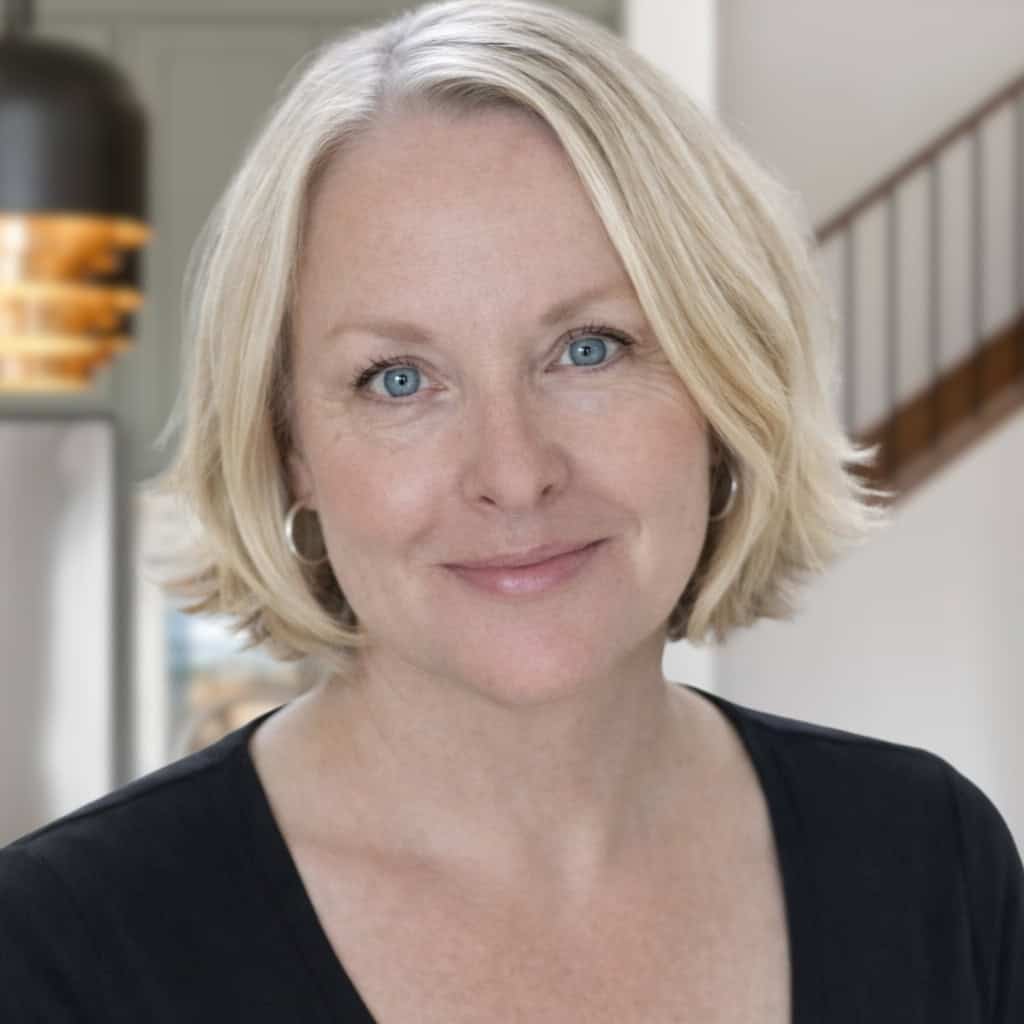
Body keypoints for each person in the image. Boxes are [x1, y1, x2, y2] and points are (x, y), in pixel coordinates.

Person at [2, 0, 1021, 1020]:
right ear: (289, 447)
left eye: (589, 349)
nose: (515, 471)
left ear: (724, 383)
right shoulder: (59, 945)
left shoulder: (929, 855)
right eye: (397, 378)